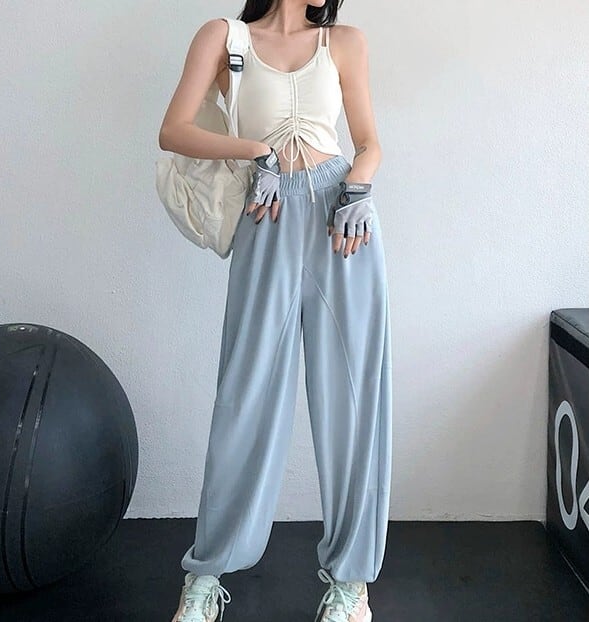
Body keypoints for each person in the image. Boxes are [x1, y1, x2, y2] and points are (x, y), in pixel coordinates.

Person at [158, 1, 392, 620]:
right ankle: (205, 575)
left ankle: (351, 584)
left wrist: (359, 188)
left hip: (343, 224)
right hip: (267, 214)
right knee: (245, 394)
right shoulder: (224, 37)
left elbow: (369, 143)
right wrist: (255, 151)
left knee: (353, 399)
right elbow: (173, 129)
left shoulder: (343, 41)